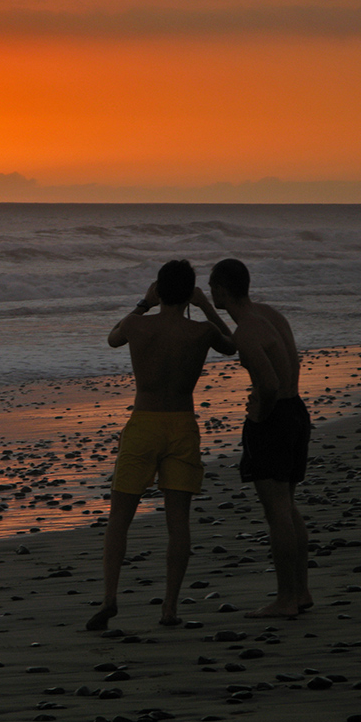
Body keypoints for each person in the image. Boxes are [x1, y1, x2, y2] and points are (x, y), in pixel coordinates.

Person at [87, 260, 236, 631]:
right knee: (178, 522)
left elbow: (112, 338)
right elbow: (232, 346)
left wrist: (143, 302)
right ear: (188, 292)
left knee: (120, 517)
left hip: (144, 424)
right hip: (182, 425)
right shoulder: (200, 332)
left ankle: (110, 598)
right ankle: (169, 608)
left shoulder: (139, 325)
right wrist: (204, 306)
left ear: (158, 289)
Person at [200, 258, 313, 618]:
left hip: (275, 419)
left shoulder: (249, 329)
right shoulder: (266, 315)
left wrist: (259, 414)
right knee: (288, 505)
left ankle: (285, 600)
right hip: (296, 411)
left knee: (276, 510)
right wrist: (203, 307)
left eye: (210, 289)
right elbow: (237, 341)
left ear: (220, 289)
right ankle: (301, 591)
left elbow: (267, 382)